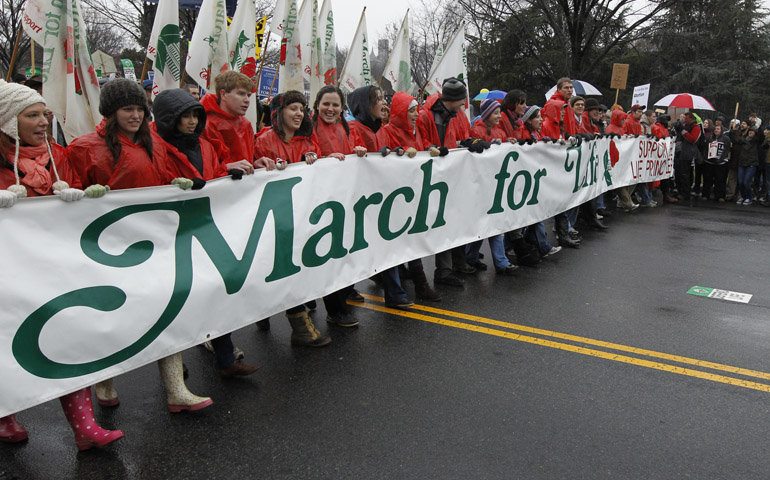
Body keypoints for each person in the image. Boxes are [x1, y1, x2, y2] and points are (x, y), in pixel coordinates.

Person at [66, 78, 215, 410]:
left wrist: (175, 185)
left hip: (153, 244)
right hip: (105, 251)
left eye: (139, 108)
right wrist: (83, 198)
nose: (135, 115)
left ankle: (176, 388)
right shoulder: (82, 148)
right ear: (110, 112)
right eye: (127, 109)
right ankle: (104, 382)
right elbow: (67, 197)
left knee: (166, 311)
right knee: (110, 318)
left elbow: (161, 181)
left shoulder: (156, 144)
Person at [0, 80, 124, 451]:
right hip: (8, 272)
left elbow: (77, 185)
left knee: (67, 339)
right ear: (8, 121)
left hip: (52, 267)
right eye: (32, 115)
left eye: (44, 114)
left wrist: (83, 195)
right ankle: (5, 415)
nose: (42, 121)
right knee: (7, 342)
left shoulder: (57, 152)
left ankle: (84, 429)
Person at [152, 87, 262, 377]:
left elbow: (215, 172)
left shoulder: (203, 145)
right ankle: (172, 364)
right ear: (167, 118)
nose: (190, 122)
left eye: (194, 116)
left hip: (206, 226)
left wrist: (228, 172)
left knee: (217, 291)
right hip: (171, 232)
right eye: (184, 116)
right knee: (176, 299)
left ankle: (226, 358)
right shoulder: (154, 146)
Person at [254, 90, 336, 344]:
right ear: (279, 113)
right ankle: (298, 325)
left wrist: (321, 160)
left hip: (302, 217)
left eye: (301, 109)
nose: (299, 113)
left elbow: (317, 173)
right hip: (276, 220)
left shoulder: (307, 142)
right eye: (293, 108)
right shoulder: (264, 140)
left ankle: (270, 312)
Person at [308, 85, 371, 323]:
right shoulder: (311, 128)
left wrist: (358, 151)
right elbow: (307, 154)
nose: (330, 109)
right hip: (320, 203)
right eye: (326, 104)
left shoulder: (345, 127)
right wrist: (324, 160)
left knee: (344, 250)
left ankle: (342, 295)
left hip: (344, 200)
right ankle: (334, 309)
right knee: (327, 255)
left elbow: (353, 149)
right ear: (317, 105)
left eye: (335, 105)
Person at [377, 92, 444, 298]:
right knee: (402, 239)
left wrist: (430, 148)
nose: (416, 114)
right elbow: (386, 154)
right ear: (400, 112)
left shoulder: (417, 130)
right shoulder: (388, 130)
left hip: (415, 191)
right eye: (411, 110)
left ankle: (416, 283)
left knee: (412, 238)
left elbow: (423, 145)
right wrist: (404, 150)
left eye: (416, 110)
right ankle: (419, 284)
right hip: (396, 194)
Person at [417, 77, 477, 286]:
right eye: (462, 100)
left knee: (451, 222)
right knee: (438, 225)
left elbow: (448, 145)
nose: (464, 105)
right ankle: (440, 271)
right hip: (432, 178)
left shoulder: (450, 115)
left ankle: (449, 268)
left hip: (447, 177)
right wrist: (434, 149)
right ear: (454, 99)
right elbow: (421, 144)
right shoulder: (426, 116)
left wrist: (466, 143)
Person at [200, 71, 269, 174]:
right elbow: (200, 168)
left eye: (248, 95)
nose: (247, 100)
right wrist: (226, 167)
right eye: (241, 94)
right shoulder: (204, 124)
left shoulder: (245, 124)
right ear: (223, 94)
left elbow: (246, 161)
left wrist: (255, 163)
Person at [347, 85, 387, 152]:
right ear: (366, 104)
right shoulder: (351, 129)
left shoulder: (382, 131)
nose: (385, 102)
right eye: (379, 99)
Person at [702, 124, 730, 201]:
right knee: (707, 180)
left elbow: (726, 150)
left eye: (718, 129)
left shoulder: (726, 139)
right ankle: (706, 194)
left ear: (721, 130)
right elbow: (706, 148)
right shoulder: (710, 138)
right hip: (710, 162)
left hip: (721, 163)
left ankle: (720, 195)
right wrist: (706, 157)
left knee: (720, 180)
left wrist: (721, 159)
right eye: (715, 129)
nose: (716, 130)